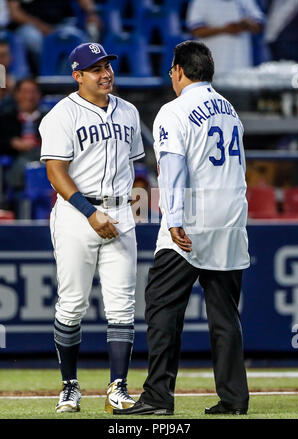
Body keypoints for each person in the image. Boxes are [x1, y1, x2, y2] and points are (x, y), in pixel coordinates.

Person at [114, 40, 250, 416]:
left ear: (178, 70)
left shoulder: (173, 111)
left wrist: (172, 218)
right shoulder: (229, 109)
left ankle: (158, 396)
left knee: (161, 306)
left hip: (191, 220)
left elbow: (173, 170)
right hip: (232, 217)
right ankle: (235, 399)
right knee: (224, 314)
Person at [39, 42, 144, 414]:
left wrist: (136, 201)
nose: (106, 73)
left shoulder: (129, 112)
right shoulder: (61, 115)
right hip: (75, 214)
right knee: (72, 304)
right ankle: (70, 385)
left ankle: (118, 387)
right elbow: (55, 171)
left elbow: (135, 168)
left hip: (120, 215)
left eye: (108, 66)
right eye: (96, 68)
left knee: (123, 305)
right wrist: (89, 212)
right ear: (77, 75)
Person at [7, 0, 102, 74]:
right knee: (35, 40)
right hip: (32, 26)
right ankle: (43, 79)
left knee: (76, 40)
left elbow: (86, 4)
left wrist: (91, 13)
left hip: (62, 24)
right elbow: (15, 13)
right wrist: (41, 27)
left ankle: (68, 82)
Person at [0, 77, 44, 214]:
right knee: (22, 164)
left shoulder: (50, 117)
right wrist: (13, 142)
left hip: (43, 159)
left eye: (33, 92)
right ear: (17, 94)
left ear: (39, 95)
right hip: (17, 160)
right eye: (25, 92)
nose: (29, 97)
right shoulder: (6, 118)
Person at [186, 0, 264, 74]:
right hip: (212, 67)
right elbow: (196, 31)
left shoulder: (245, 1)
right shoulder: (201, 1)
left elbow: (259, 26)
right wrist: (225, 29)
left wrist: (247, 24)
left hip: (241, 66)